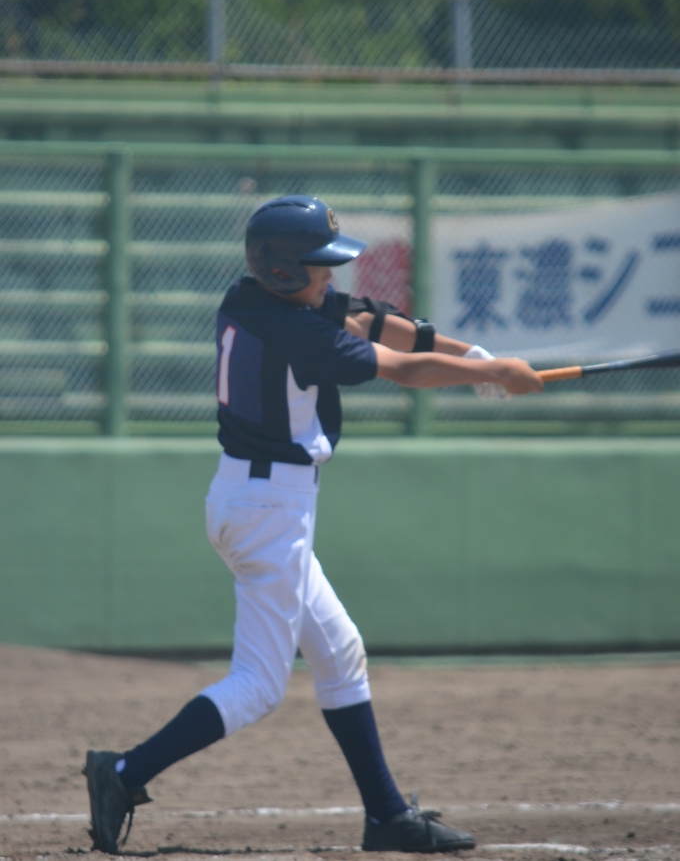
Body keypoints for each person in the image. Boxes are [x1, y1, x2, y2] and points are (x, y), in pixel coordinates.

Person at [84, 195, 542, 854]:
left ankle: (386, 816)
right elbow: (403, 366)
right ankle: (124, 772)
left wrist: (470, 351)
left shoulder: (250, 299)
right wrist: (489, 371)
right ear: (283, 271)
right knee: (259, 686)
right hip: (269, 509)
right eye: (318, 265)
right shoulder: (296, 332)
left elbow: (376, 321)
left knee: (339, 650)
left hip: (254, 499)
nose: (330, 275)